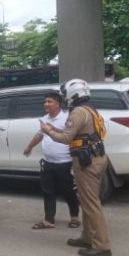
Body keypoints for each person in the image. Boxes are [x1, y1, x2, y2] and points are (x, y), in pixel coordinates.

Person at [40, 79, 112, 256]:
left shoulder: (78, 112)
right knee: (88, 201)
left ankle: (102, 245)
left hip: (86, 161)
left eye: (65, 95)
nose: (65, 98)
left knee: (91, 203)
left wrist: (48, 130)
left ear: (73, 94)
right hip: (96, 157)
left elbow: (65, 138)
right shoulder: (90, 109)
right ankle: (87, 237)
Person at [23, 91, 80, 230]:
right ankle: (49, 219)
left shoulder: (67, 118)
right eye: (45, 102)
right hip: (48, 161)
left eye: (49, 101)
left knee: (68, 190)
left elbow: (70, 136)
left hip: (64, 162)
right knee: (48, 191)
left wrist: (52, 130)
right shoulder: (45, 118)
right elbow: (40, 134)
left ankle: (75, 217)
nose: (46, 104)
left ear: (58, 103)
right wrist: (29, 146)